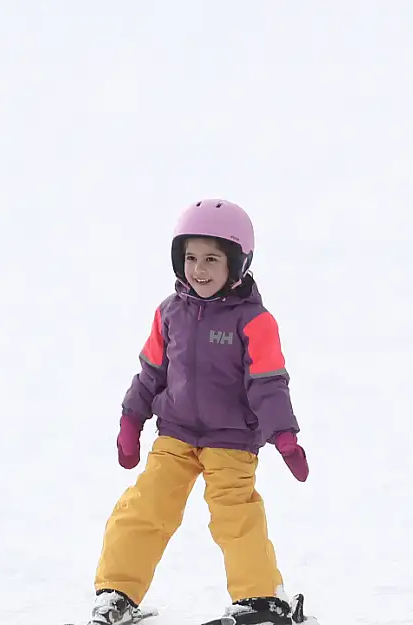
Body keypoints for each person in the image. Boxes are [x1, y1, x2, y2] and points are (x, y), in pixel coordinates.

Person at [87, 199, 312, 625]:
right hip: (175, 433)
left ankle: (262, 599)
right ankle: (117, 592)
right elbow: (151, 373)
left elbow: (268, 384)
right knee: (145, 507)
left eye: (212, 258)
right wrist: (131, 420)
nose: (199, 269)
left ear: (238, 263)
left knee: (236, 516)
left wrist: (284, 435)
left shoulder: (255, 322)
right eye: (190, 257)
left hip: (231, 440)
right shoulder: (169, 313)